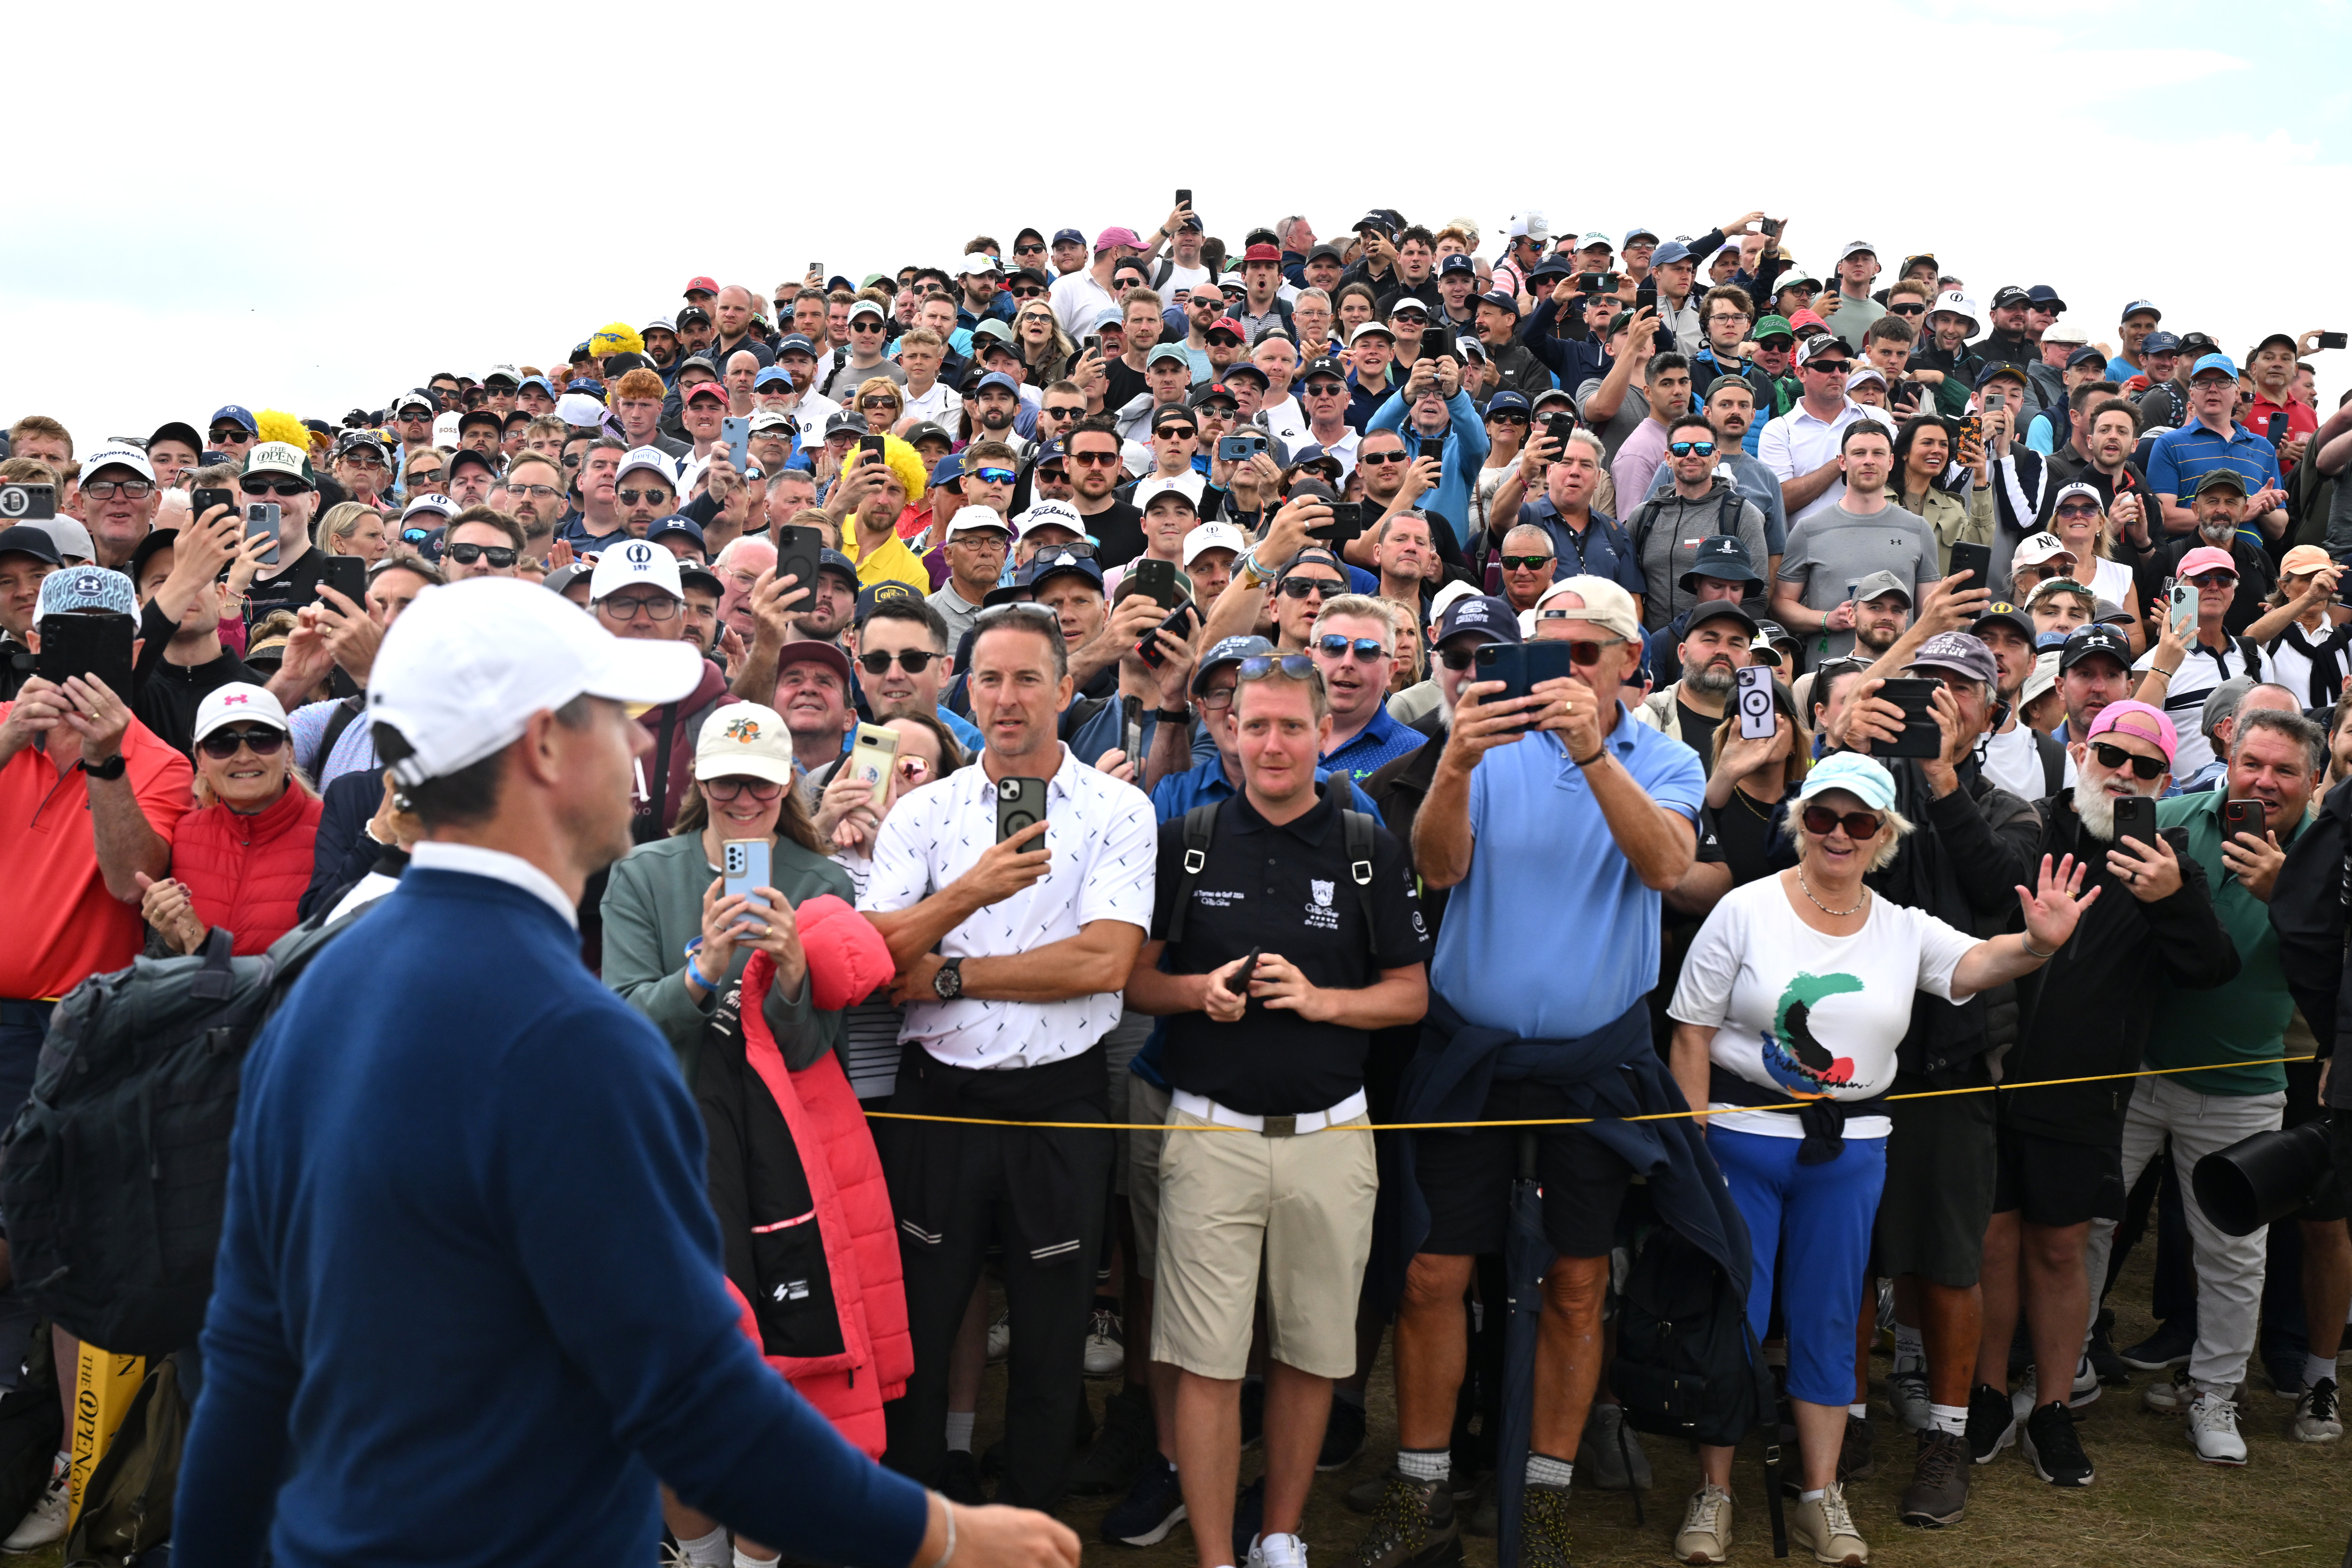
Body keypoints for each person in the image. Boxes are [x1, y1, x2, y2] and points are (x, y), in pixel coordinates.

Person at [176, 578, 1079, 1568]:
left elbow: (249, 1371)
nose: (650, 748)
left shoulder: (318, 985)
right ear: (545, 745)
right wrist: (943, 1534)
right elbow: (692, 1397)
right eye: (619, 718)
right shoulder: (571, 1038)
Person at [1351, 576, 1709, 1568]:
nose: (1559, 672)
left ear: (1631, 664)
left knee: (1579, 1283)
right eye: (1542, 651)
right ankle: (1423, 1490)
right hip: (1473, 1056)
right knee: (1430, 1274)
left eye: (1582, 654)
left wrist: (1593, 752)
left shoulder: (1667, 756)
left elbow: (1666, 868)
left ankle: (1544, 1492)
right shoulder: (1481, 742)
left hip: (1593, 1066)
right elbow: (1438, 867)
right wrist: (1458, 763)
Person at [1667, 752, 2096, 1565]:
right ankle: (1713, 1490)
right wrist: (1694, 1144)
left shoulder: (1903, 926)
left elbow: (1978, 964)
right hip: (1742, 1140)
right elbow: (1691, 1031)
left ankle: (1822, 1496)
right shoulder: (1745, 909)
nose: (1838, 834)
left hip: (1852, 1150)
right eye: (1823, 817)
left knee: (1831, 1320)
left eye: (1858, 821)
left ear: (1883, 836)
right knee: (1735, 1318)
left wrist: (2038, 946)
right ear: (1800, 824)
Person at [1125, 653, 1429, 1568]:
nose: (1270, 743)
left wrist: (1320, 999)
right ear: (1226, 730)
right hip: (1210, 1126)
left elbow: (1409, 994)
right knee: (1210, 1358)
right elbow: (1136, 978)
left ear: (1319, 731)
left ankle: (1281, 1534)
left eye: (1289, 726)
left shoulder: (1363, 842)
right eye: (1252, 724)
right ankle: (1219, 1554)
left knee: (1307, 1351)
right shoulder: (1187, 835)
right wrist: (1197, 993)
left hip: (1331, 1131)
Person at [859, 603, 1155, 1512]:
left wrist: (948, 972)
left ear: (1067, 689)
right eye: (989, 677)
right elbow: (876, 960)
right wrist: (972, 891)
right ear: (965, 687)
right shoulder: (923, 810)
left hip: (1059, 1099)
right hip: (936, 1099)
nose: (1007, 697)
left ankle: (1031, 1521)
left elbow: (1102, 961)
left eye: (1029, 677)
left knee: (1051, 1336)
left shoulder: (1118, 808)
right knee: (918, 1324)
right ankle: (906, 1521)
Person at [1971, 699, 2235, 1494]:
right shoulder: (2029, 826)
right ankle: (1984, 1396)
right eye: (2109, 757)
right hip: (1989, 1077)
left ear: (2167, 777)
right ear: (2081, 751)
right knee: (1991, 1245)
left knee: (2059, 1251)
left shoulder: (2167, 859)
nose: (2122, 775)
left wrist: (2174, 897)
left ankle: (2051, 1406)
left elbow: (2210, 969)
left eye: (2144, 767)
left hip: (2083, 1093)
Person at [2082, 706, 2322, 1464]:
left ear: (2314, 780)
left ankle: (2215, 1392)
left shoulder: (2326, 851)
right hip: (2139, 1068)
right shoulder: (2176, 816)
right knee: (2085, 1225)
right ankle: (2063, 1364)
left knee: (2232, 1251)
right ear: (2227, 755)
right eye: (2253, 763)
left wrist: (2291, 892)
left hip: (2247, 1079)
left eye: (2285, 770)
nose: (2265, 781)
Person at [127, 683, 323, 958]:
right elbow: (164, 963)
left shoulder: (332, 829)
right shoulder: (184, 834)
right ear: (201, 761)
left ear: (289, 752)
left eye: (262, 739)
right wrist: (172, 940)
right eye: (222, 744)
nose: (244, 757)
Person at [1770, 423, 1944, 662]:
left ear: (1891, 462)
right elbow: (1781, 604)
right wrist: (1826, 619)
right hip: (1828, 679)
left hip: (1897, 677)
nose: (1869, 461)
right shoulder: (1809, 529)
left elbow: (1929, 615)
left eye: (1878, 454)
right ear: (1843, 461)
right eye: (1859, 453)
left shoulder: (1918, 529)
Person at [1626, 414, 1772, 632]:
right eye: (1682, 448)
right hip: (1654, 651)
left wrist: (1724, 638)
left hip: (1712, 647)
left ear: (1716, 457)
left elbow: (1757, 595)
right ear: (1669, 457)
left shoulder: (1742, 514)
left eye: (1703, 448)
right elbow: (1628, 587)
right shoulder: (1644, 516)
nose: (1692, 455)